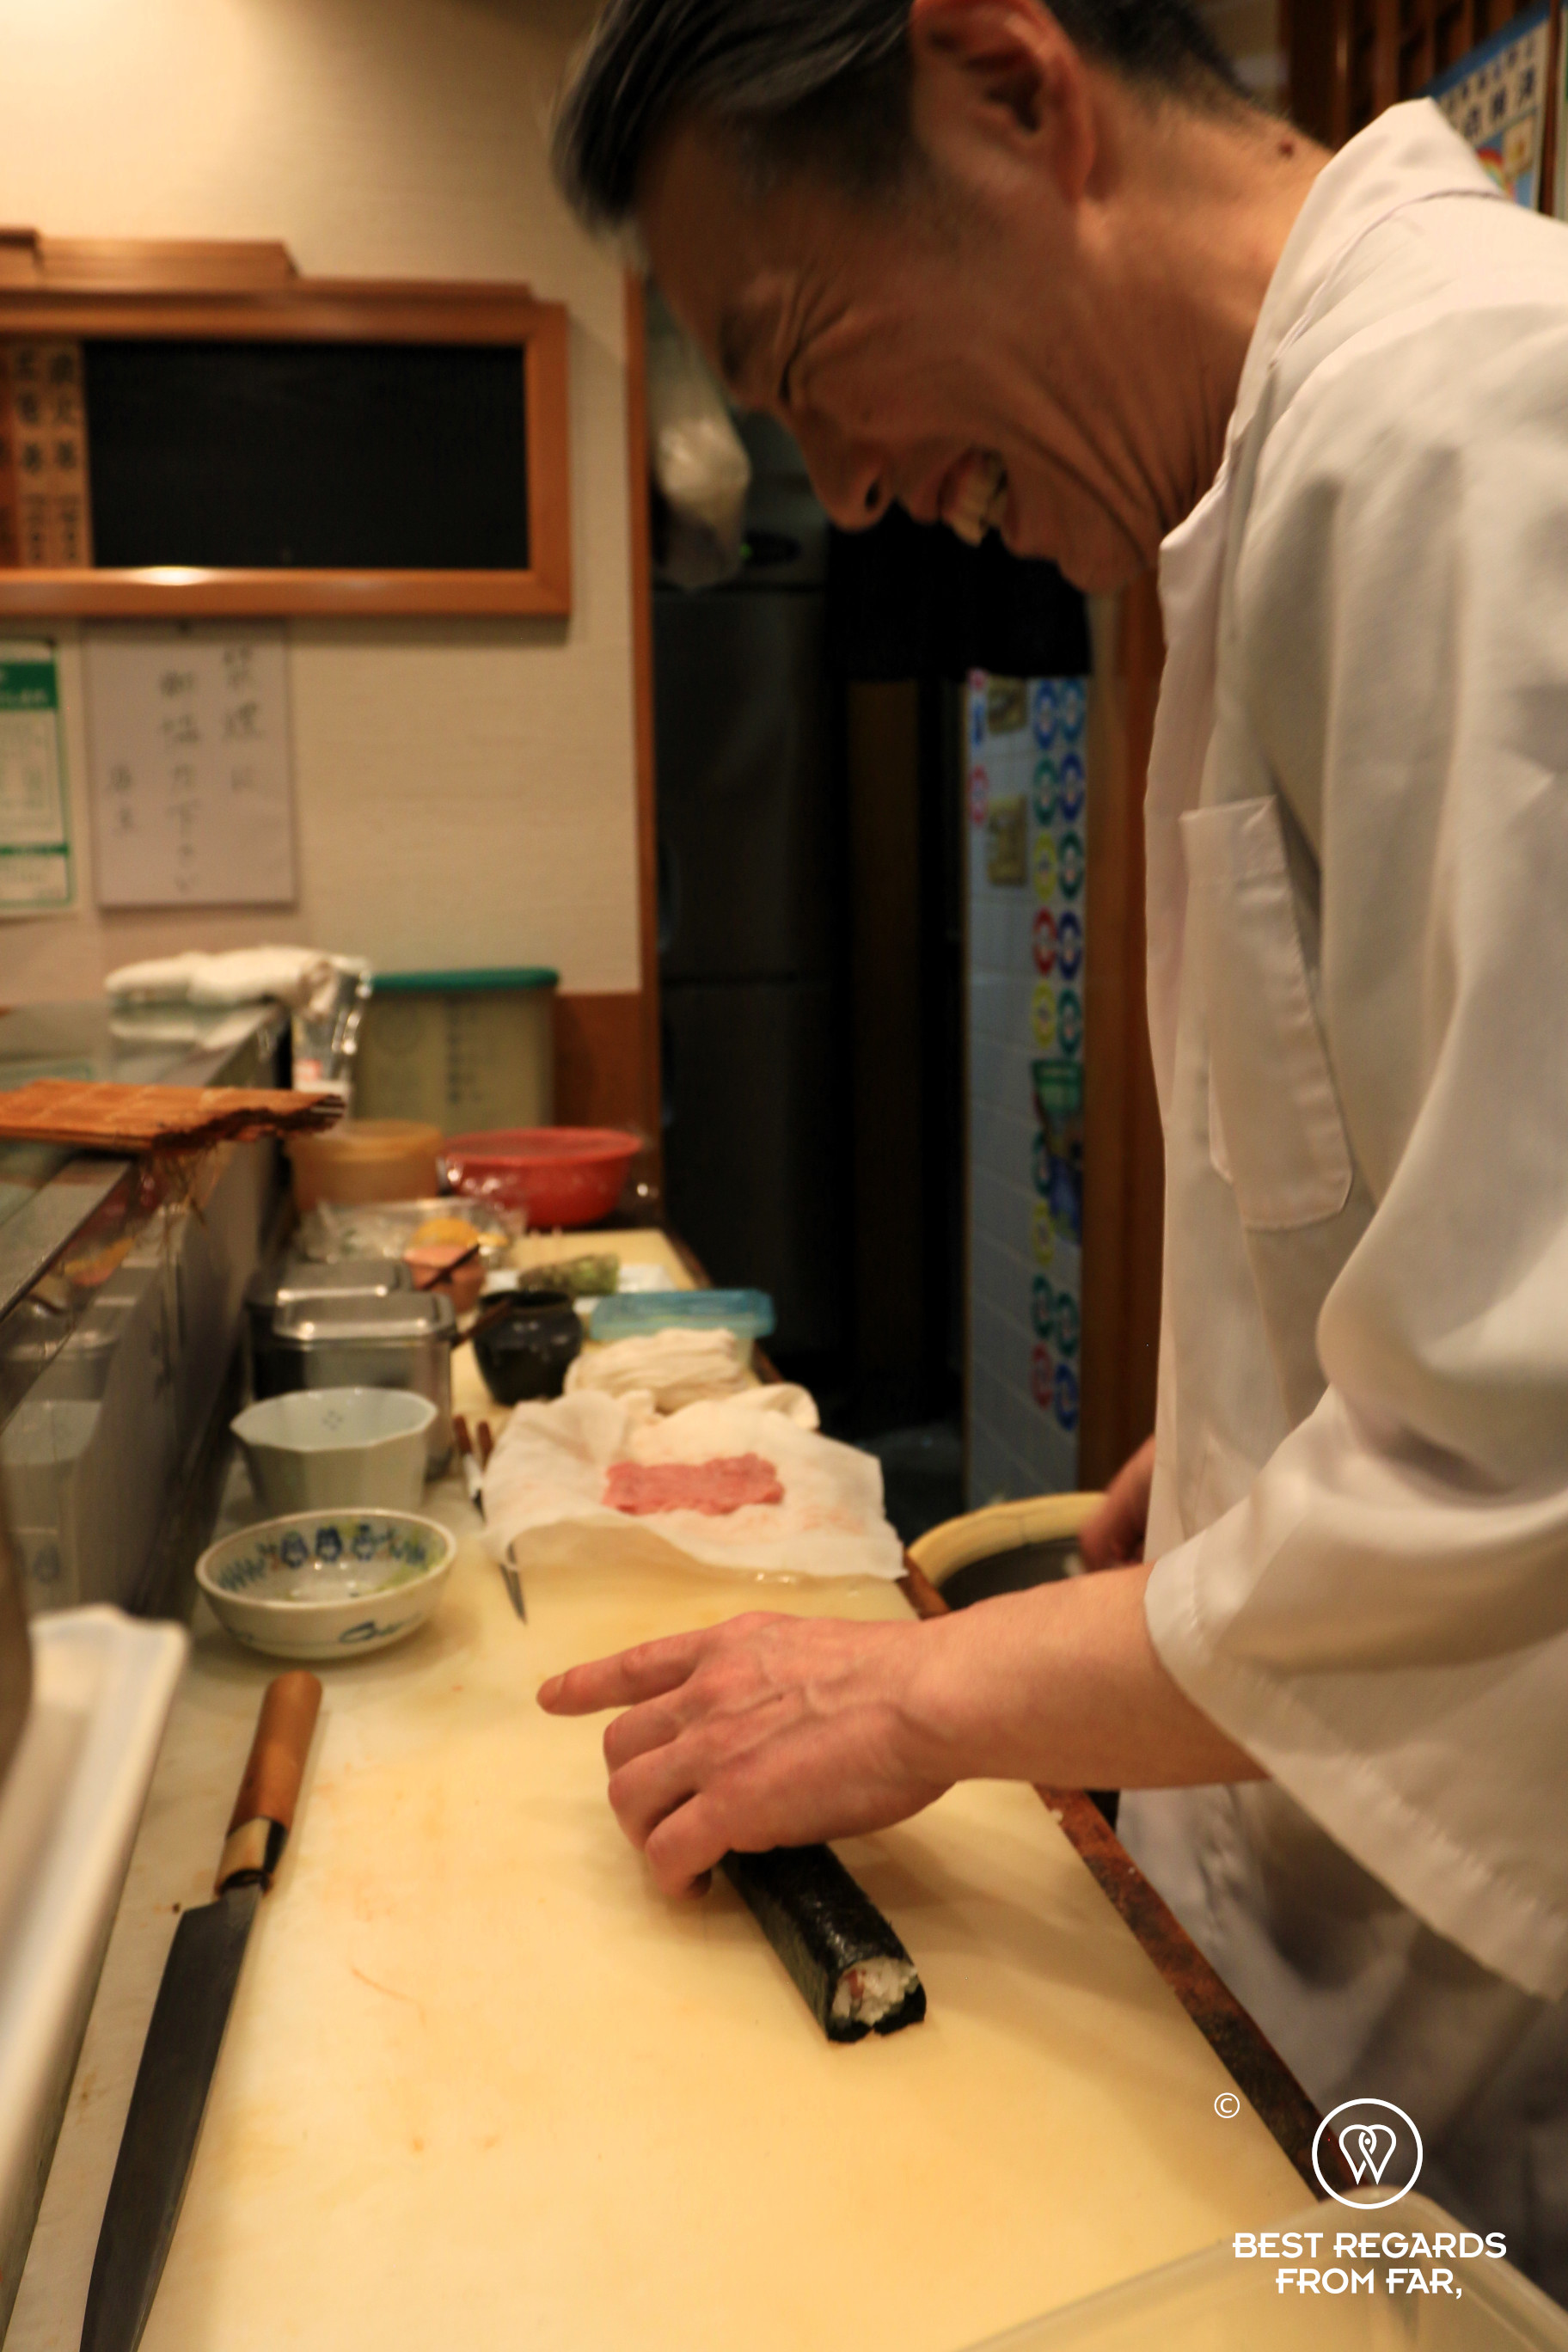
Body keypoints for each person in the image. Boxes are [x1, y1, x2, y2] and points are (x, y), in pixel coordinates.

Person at [538, 0, 1568, 2288]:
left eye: (805, 359)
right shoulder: (1277, 485)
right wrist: (1245, 1429)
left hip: (1491, 2040)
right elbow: (1451, 1215)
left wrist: (923, 1692)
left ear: (1012, 87)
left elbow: (1538, 1460)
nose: (854, 486)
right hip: (1306, 1965)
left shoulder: (1472, 424)